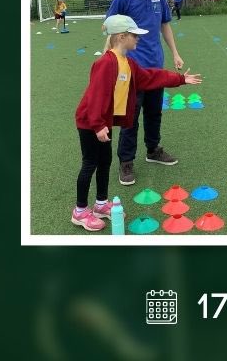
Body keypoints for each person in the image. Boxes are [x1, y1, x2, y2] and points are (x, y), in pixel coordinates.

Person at [72, 14, 201, 232]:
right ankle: (80, 211)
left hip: (102, 123)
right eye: (134, 35)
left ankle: (101, 204)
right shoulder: (105, 63)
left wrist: (180, 79)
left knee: (105, 162)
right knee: (90, 164)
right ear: (121, 37)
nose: (138, 39)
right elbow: (95, 95)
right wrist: (98, 125)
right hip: (90, 122)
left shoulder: (128, 63)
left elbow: (151, 77)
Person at [102, 0, 184, 185]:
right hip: (130, 70)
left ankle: (153, 150)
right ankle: (126, 162)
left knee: (154, 112)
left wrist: (175, 53)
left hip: (155, 66)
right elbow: (109, 27)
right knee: (130, 117)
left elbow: (164, 25)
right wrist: (109, 59)